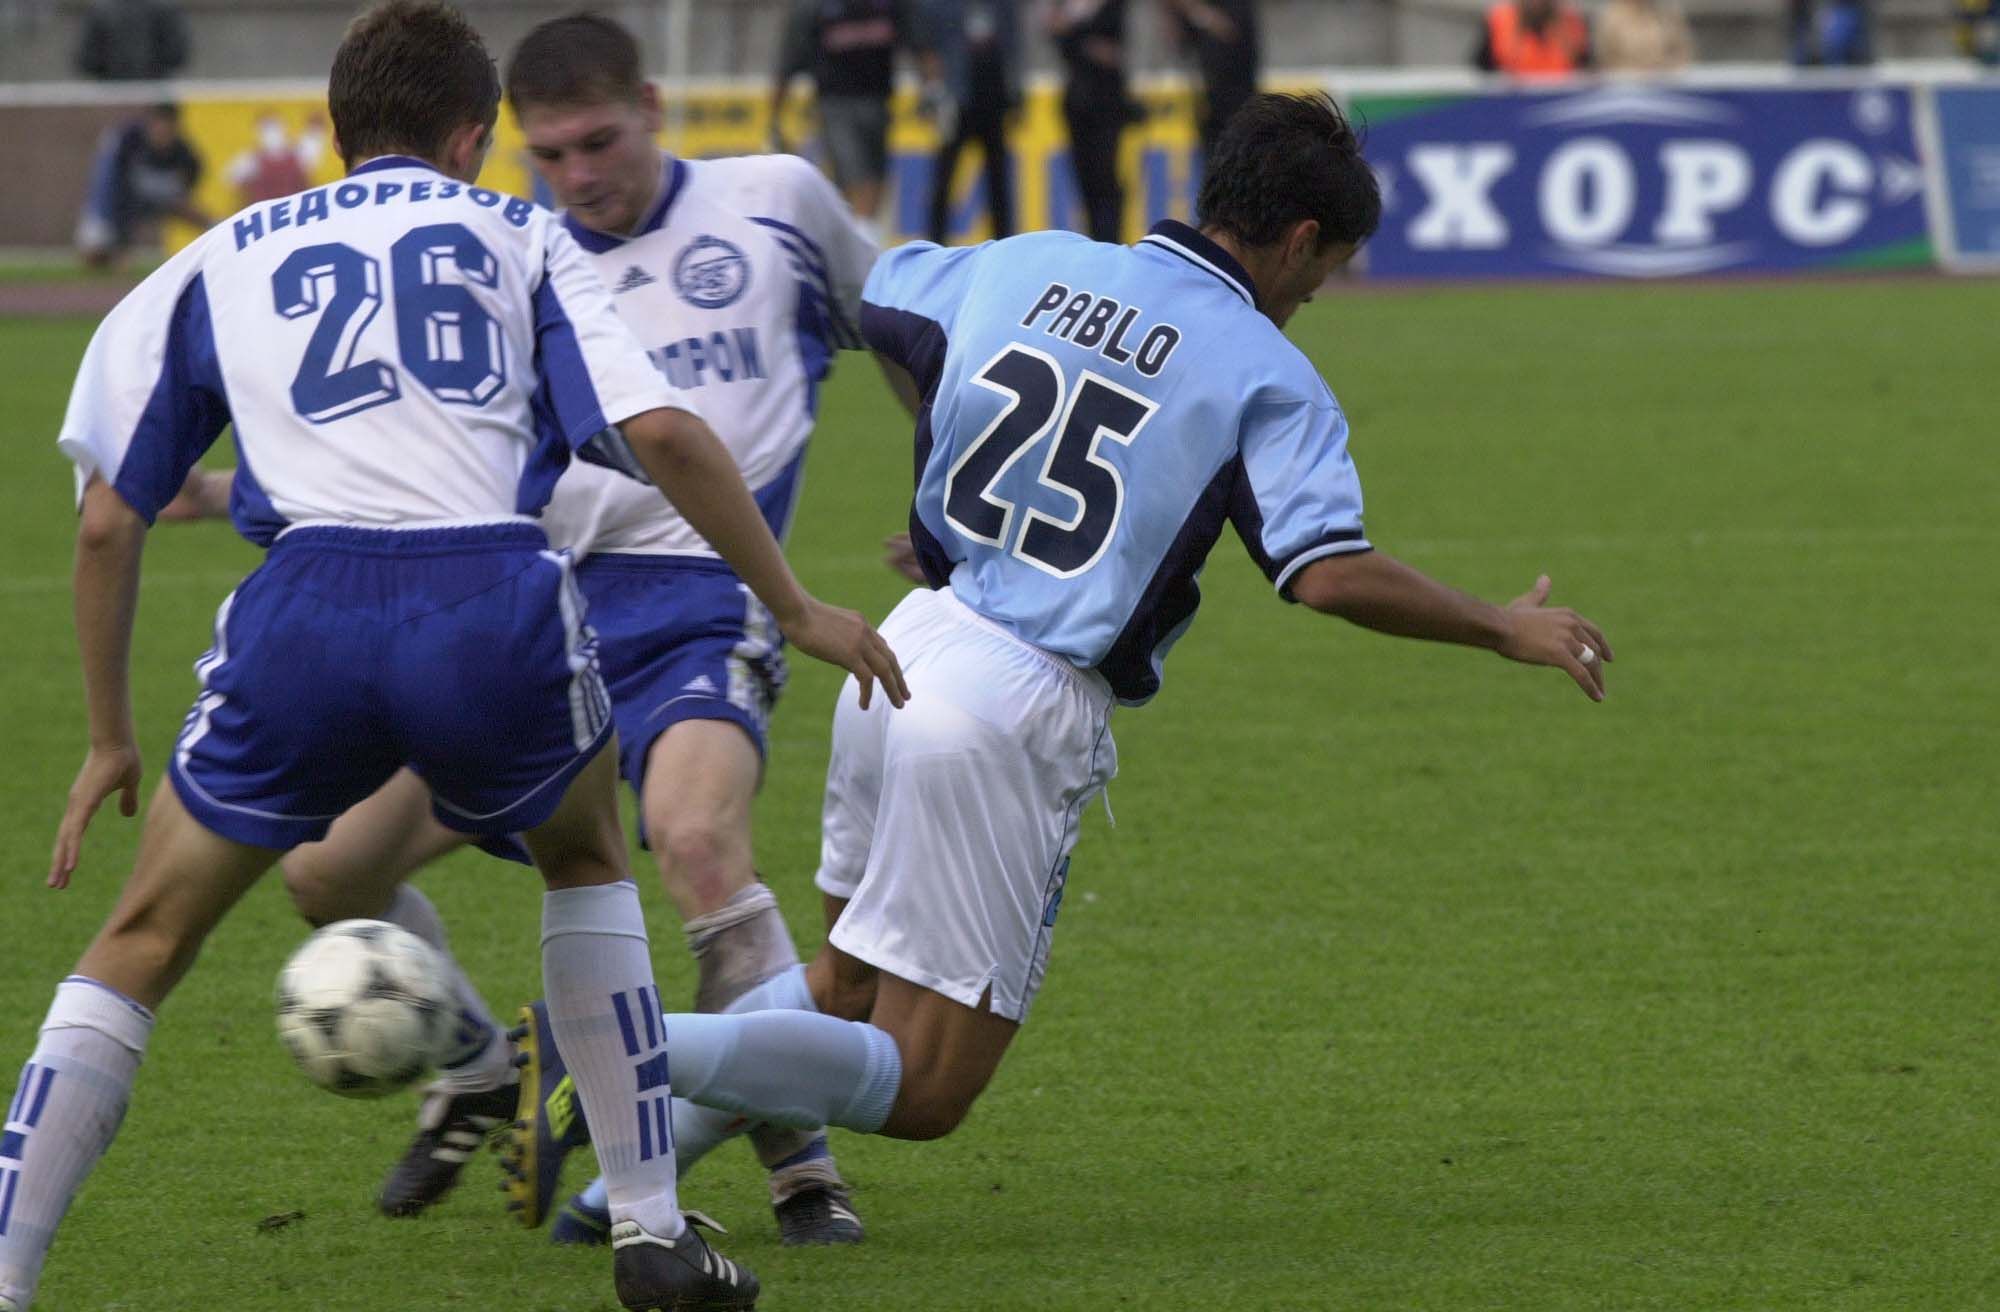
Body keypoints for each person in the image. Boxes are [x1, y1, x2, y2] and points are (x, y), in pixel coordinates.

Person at [499, 92, 1613, 1215]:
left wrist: (961, 501)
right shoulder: (1267, 373)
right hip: (1013, 703)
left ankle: (609, 1194)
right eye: (1317, 279)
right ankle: (602, 1044)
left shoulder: (1023, 262)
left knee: (842, 984)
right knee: (927, 1088)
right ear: (1297, 242)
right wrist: (1497, 623)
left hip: (908, 644)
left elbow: (879, 307)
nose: (1309, 300)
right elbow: (1322, 569)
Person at [0, 4, 905, 1311]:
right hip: (493, 596)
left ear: (335, 129)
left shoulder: (213, 259)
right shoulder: (523, 231)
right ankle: (651, 1228)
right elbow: (662, 433)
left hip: (301, 611)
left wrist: (108, 736)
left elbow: (103, 520)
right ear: (474, 136)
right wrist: (800, 603)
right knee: (588, 862)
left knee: (141, 937)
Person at [279, 9, 886, 1248]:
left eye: (597, 142)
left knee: (698, 841)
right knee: (327, 871)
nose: (577, 176)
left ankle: (800, 1167)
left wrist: (937, 500)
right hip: (535, 618)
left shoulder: (776, 203)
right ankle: (476, 1060)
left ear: (653, 107)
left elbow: (907, 330)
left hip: (702, 604)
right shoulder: (511, 250)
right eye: (547, 155)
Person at [770, 0, 920, 234]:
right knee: (859, 178)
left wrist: (933, 84)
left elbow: (916, 39)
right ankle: (861, 250)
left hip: (878, 102)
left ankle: (857, 239)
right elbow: (790, 58)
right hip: (836, 104)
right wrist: (775, 117)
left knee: (873, 180)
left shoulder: (887, 6)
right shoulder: (817, 7)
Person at [922, 0, 1021, 245]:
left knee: (998, 180)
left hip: (993, 96)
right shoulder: (942, 7)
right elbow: (928, 43)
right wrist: (935, 92)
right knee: (944, 178)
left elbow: (1013, 44)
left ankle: (1005, 244)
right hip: (957, 97)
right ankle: (935, 245)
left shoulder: (1001, 7)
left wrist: (1015, 93)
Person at [74, 103, 212, 269]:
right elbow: (108, 192)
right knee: (94, 257)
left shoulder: (182, 151)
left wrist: (177, 196)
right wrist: (122, 243)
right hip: (119, 205)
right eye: (158, 126)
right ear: (150, 124)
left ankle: (219, 234)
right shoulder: (127, 143)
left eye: (168, 128)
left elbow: (193, 176)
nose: (162, 133)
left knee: (188, 209)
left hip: (158, 200)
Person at [1048, 0, 1136, 242]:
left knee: (1106, 177)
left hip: (1107, 103)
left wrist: (1075, 35)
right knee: (1084, 180)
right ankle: (1096, 238)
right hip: (1078, 103)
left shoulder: (1113, 8)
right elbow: (1057, 36)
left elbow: (1115, 52)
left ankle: (1111, 238)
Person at [1160, 0, 1259, 167]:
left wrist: (1191, 8)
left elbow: (1227, 29)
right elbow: (1178, 43)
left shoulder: (1233, 8)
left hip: (1236, 103)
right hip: (1209, 105)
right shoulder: (1200, 11)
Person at [74, 0, 188, 81]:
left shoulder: (99, 10)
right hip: (155, 95)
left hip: (111, 94)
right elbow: (177, 54)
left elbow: (87, 59)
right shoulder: (166, 7)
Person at [1473, 0, 1590, 77]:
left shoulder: (1574, 24)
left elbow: (1588, 72)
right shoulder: (1498, 21)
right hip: (1511, 104)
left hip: (1562, 104)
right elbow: (1480, 74)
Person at [1596, 0, 1693, 71]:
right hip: (1624, 86)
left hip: (1665, 84)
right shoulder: (1610, 15)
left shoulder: (1668, 12)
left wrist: (1667, 67)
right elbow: (1604, 60)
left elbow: (1683, 52)